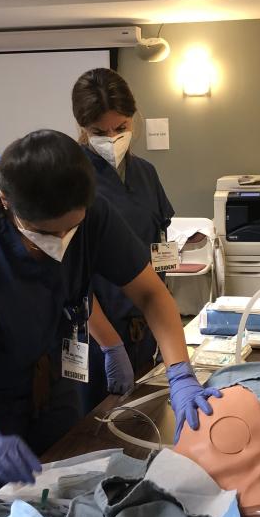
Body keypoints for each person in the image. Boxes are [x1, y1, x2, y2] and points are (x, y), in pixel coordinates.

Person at [0, 129, 219, 515]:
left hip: (44, 372)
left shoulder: (92, 215)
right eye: (45, 232)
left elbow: (149, 294)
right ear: (6, 202)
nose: (61, 240)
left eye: (71, 228)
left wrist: (179, 372)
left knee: (67, 494)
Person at [71, 68, 175, 409]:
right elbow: (72, 279)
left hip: (144, 324)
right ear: (83, 128)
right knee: (94, 431)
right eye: (99, 131)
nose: (112, 138)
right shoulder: (72, 179)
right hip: (98, 332)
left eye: (121, 128)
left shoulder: (145, 172)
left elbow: (158, 239)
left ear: (134, 119)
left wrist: (164, 322)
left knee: (147, 417)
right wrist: (111, 345)